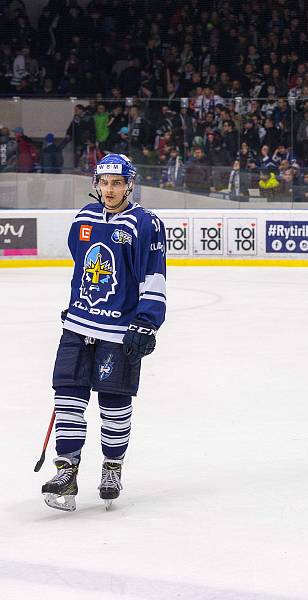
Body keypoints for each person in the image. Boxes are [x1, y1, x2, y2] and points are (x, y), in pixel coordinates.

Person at [41, 153, 167, 512]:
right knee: (67, 398)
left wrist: (147, 319)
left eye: (117, 183)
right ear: (96, 183)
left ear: (130, 184)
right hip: (78, 325)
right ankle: (67, 469)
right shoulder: (84, 217)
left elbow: (153, 274)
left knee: (114, 405)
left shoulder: (145, 223)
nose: (110, 190)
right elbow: (80, 263)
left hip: (118, 332)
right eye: (104, 183)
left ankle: (112, 467)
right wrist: (77, 303)